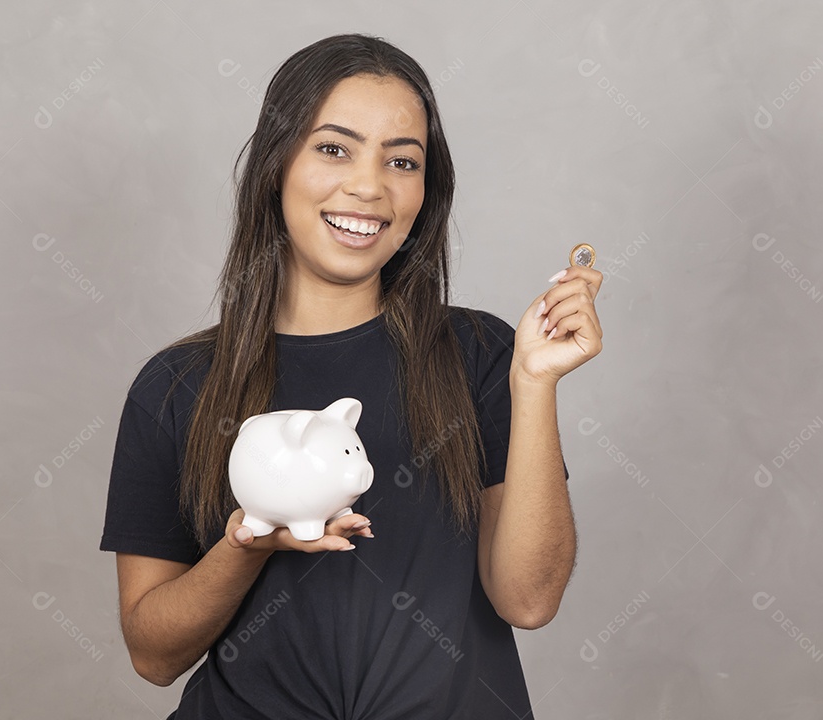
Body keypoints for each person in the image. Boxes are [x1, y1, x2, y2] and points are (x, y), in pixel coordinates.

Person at [99, 33, 604, 719]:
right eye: (333, 148)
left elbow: (529, 598)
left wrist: (536, 384)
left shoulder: (482, 352)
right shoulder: (176, 386)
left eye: (403, 160)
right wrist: (245, 543)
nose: (369, 187)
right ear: (277, 165)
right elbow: (153, 656)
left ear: (427, 191)